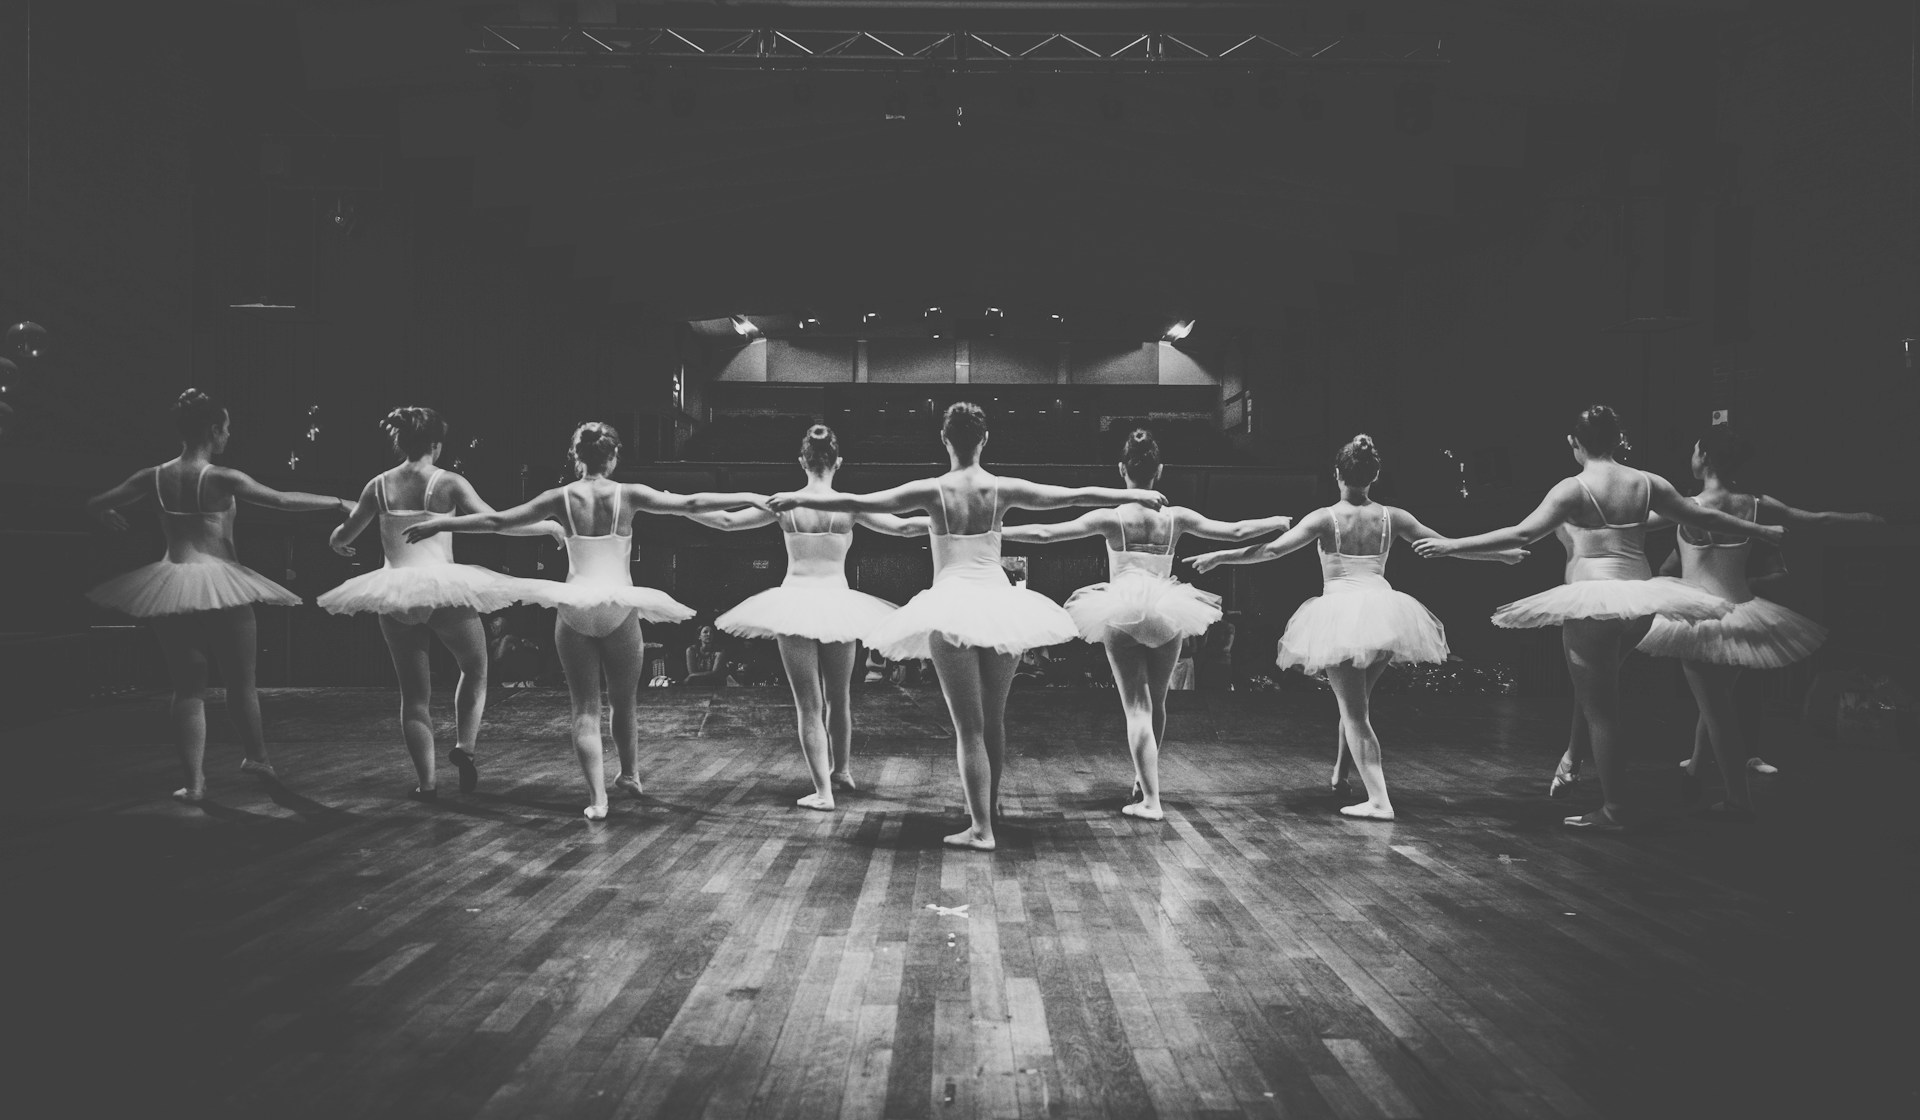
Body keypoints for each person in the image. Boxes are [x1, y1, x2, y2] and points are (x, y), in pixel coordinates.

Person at [766, 401, 1165, 851]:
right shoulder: (1001, 489)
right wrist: (1128, 496)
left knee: (969, 729)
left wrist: (799, 498)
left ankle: (981, 830)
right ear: (985, 440)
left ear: (944, 439)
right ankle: (987, 811)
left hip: (952, 607)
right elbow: (1068, 495)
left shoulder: (932, 490)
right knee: (993, 724)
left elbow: (861, 501)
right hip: (1001, 606)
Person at [1414, 405, 1783, 832]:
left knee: (1602, 710)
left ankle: (1615, 809)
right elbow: (1699, 515)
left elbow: (1521, 533)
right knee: (1596, 695)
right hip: (1640, 604)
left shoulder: (1572, 488)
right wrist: (1761, 531)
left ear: (1575, 444)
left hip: (1593, 603)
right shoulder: (1648, 482)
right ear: (1617, 440)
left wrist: (1452, 546)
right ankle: (1573, 759)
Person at [406, 421, 764, 820]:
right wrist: (749, 493)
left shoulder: (559, 497)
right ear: (613, 457)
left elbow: (497, 522)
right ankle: (629, 775)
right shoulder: (629, 495)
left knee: (584, 709)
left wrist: (440, 523)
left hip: (575, 608)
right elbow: (693, 503)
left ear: (576, 458)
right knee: (623, 703)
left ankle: (597, 799)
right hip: (618, 606)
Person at [1193, 434, 1525, 820]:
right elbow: (1448, 545)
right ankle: (1340, 774)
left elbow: (1271, 551)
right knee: (1355, 705)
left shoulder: (1324, 518)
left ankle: (1380, 800)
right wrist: (1499, 555)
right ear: (1375, 475)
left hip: (1340, 617)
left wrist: (1221, 557)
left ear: (1337, 474)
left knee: (1355, 714)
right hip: (1384, 616)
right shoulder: (1393, 517)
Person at [1002, 427, 1291, 820]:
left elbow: (1044, 533)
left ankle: (1150, 800)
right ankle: (1145, 781)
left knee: (1136, 708)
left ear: (1122, 469)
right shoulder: (1176, 518)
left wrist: (991, 534)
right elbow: (1236, 531)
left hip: (1120, 612)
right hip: (1167, 611)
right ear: (1160, 471)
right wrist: (1275, 520)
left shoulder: (1112, 517)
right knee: (1158, 703)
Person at [85, 388, 353, 802]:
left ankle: (193, 783)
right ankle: (257, 756)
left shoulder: (152, 476)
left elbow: (96, 502)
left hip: (172, 581)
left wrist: (105, 512)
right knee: (241, 682)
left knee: (187, 687)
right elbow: (281, 501)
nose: (228, 435)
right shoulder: (222, 477)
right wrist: (338, 503)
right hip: (221, 582)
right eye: (226, 428)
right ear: (213, 430)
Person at [1639, 426, 1882, 818]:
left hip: (1697, 618)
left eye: (1695, 450)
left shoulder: (1687, 505)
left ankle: (1738, 799)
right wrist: (1865, 518)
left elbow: (1634, 523)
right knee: (1714, 704)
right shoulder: (1754, 504)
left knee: (1716, 711)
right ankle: (1696, 774)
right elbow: (1816, 519)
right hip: (1741, 615)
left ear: (1706, 459)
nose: (1692, 456)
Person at [318, 407, 560, 800]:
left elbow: (345, 534)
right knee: (476, 667)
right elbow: (495, 521)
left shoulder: (377, 486)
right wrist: (545, 526)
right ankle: (465, 747)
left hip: (395, 594)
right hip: (443, 591)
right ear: (436, 443)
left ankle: (426, 783)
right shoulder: (447, 482)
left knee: (414, 696)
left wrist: (336, 541)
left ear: (401, 441)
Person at [690, 424, 927, 809]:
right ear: (839, 461)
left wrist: (679, 507)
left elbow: (727, 522)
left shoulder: (786, 504)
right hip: (838, 604)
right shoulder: (849, 505)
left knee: (808, 704)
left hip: (795, 603)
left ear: (802, 461)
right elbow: (902, 529)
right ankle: (842, 771)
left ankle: (824, 791)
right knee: (840, 698)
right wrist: (956, 527)